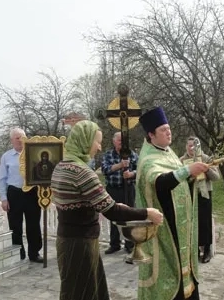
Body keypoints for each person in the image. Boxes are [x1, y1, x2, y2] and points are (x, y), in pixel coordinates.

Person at [50, 120, 163, 300]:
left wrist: (116, 206)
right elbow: (111, 211)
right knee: (86, 292)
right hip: (81, 244)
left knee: (73, 289)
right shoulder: (82, 172)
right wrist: (147, 212)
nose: (100, 147)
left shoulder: (61, 166)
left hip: (66, 240)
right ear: (85, 141)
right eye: (97, 141)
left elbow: (95, 202)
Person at [136, 107, 209, 300]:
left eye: (169, 128)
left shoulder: (169, 153)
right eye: (163, 130)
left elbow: (178, 180)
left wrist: (191, 176)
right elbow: (159, 182)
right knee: (172, 272)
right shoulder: (148, 159)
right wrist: (187, 170)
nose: (169, 132)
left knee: (187, 269)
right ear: (151, 135)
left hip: (181, 225)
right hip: (165, 227)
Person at [0, 127, 43, 263]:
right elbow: (2, 178)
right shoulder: (6, 157)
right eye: (17, 137)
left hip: (32, 193)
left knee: (34, 224)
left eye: (22, 137)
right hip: (15, 193)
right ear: (12, 140)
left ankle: (34, 253)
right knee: (15, 225)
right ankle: (19, 253)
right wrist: (4, 199)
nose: (20, 140)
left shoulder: (33, 154)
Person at [180, 136, 220, 263]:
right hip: (188, 194)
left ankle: (207, 250)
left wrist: (207, 169)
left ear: (198, 146)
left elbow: (216, 177)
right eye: (189, 145)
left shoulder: (206, 158)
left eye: (194, 145)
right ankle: (194, 250)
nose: (191, 148)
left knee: (205, 222)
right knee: (191, 222)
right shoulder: (181, 160)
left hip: (204, 194)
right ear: (186, 147)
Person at [101, 131, 138, 255]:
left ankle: (130, 244)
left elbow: (141, 169)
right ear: (114, 141)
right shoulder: (108, 154)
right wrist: (120, 165)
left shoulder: (131, 154)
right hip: (113, 188)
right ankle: (114, 244)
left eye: (123, 141)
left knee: (129, 216)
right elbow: (105, 170)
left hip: (128, 188)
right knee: (113, 215)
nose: (121, 143)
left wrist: (132, 174)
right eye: (119, 140)